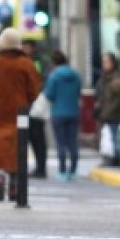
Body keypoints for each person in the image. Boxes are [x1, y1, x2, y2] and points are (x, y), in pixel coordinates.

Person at [0, 28, 42, 201]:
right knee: (17, 145)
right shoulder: (26, 63)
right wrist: (27, 101)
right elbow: (34, 89)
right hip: (19, 112)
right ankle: (14, 180)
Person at [43, 49, 83, 180]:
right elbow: (78, 92)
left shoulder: (54, 76)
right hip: (73, 112)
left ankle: (62, 170)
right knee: (72, 142)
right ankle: (73, 170)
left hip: (58, 112)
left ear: (54, 62)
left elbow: (49, 94)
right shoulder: (76, 75)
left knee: (61, 143)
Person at [21, 40, 50, 178]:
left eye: (27, 47)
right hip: (23, 107)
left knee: (38, 137)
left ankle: (41, 167)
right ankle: (27, 165)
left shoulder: (39, 62)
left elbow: (42, 81)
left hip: (36, 106)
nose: (25, 49)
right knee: (25, 137)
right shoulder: (20, 61)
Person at [95, 52, 120, 167]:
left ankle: (116, 157)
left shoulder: (118, 77)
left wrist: (109, 110)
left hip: (114, 111)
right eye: (103, 62)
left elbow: (118, 98)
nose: (105, 64)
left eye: (107, 62)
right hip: (105, 110)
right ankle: (111, 156)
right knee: (107, 136)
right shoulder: (104, 77)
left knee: (115, 136)